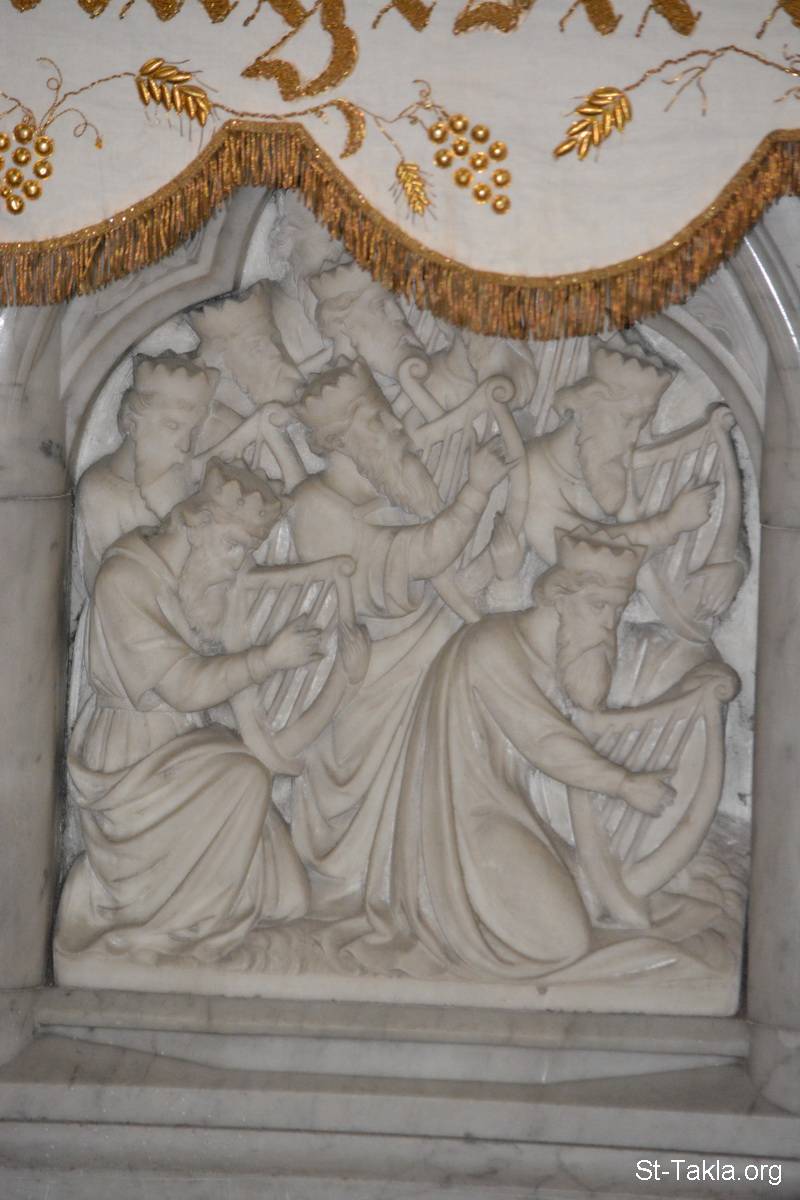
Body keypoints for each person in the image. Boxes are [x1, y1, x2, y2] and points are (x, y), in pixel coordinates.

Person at [347, 526, 677, 980]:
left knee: (594, 895)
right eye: (598, 606)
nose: (608, 625)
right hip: (467, 825)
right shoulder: (492, 647)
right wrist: (623, 783)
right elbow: (545, 742)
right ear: (559, 599)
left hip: (510, 809)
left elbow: (584, 712)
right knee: (567, 941)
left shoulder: (551, 653)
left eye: (616, 610)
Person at [55, 459, 324, 969]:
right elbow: (184, 686)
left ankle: (192, 913)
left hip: (183, 743)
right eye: (233, 547)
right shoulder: (124, 580)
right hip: (133, 755)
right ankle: (164, 924)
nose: (237, 566)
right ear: (194, 526)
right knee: (246, 777)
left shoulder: (186, 583)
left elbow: (207, 682)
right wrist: (267, 659)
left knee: (289, 897)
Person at [288, 357, 511, 914]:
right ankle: (360, 888)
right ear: (339, 441)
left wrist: (491, 562)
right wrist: (476, 491)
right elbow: (414, 558)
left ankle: (433, 884)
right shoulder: (317, 506)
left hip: (418, 666)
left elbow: (437, 590)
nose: (396, 427)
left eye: (388, 414)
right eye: (377, 420)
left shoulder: (389, 490)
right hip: (367, 685)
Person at [76, 353, 219, 590]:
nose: (185, 446)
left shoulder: (175, 473)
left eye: (193, 432)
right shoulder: (100, 491)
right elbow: (117, 588)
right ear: (131, 422)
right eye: (172, 425)